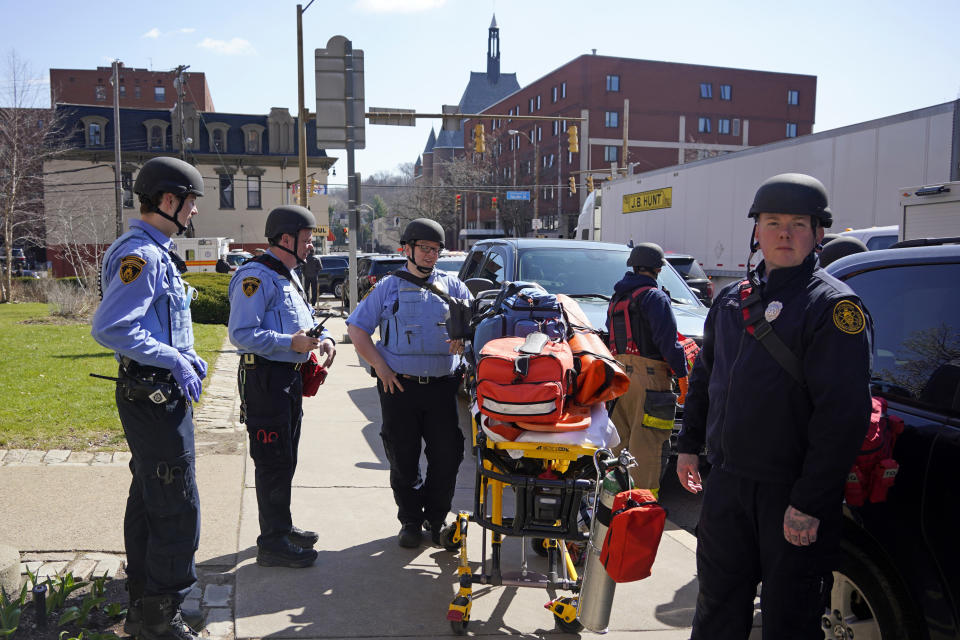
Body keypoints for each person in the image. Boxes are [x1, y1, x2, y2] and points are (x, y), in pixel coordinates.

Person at [676, 173, 872, 639]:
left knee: (790, 620)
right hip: (727, 486)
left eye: (798, 224)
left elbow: (842, 416)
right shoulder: (730, 300)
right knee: (716, 609)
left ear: (818, 233)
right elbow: (706, 378)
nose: (785, 234)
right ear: (756, 232)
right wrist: (689, 446)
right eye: (773, 222)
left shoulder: (833, 307)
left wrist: (808, 502)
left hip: (791, 494)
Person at [91, 156, 207, 640]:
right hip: (153, 395)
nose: (194, 212)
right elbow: (112, 326)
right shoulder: (145, 255)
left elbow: (160, 319)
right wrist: (173, 360)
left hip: (152, 392)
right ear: (167, 200)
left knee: (149, 494)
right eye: (191, 203)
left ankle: (144, 606)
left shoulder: (153, 251)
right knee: (176, 501)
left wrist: (187, 354)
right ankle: (161, 614)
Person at [346, 218, 471, 548]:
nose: (431, 255)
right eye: (425, 248)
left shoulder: (454, 287)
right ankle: (411, 521)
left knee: (447, 455)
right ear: (408, 249)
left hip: (443, 386)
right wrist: (381, 368)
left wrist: (465, 341)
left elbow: (474, 326)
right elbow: (357, 329)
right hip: (399, 387)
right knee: (403, 457)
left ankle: (436, 517)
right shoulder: (388, 286)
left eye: (436, 249)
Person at [228, 205, 336, 568]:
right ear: (286, 239)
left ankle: (281, 527)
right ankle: (272, 543)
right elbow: (242, 334)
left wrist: (324, 340)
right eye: (306, 240)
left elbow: (302, 325)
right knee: (272, 461)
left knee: (285, 458)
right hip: (265, 381)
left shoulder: (287, 275)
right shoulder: (255, 277)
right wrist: (290, 343)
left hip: (286, 380)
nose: (310, 247)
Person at [605, 242, 688, 497]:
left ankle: (613, 506)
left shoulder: (618, 298)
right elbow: (668, 342)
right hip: (650, 383)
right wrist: (682, 376)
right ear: (658, 269)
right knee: (648, 446)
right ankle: (642, 507)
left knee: (619, 446)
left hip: (619, 381)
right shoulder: (654, 297)